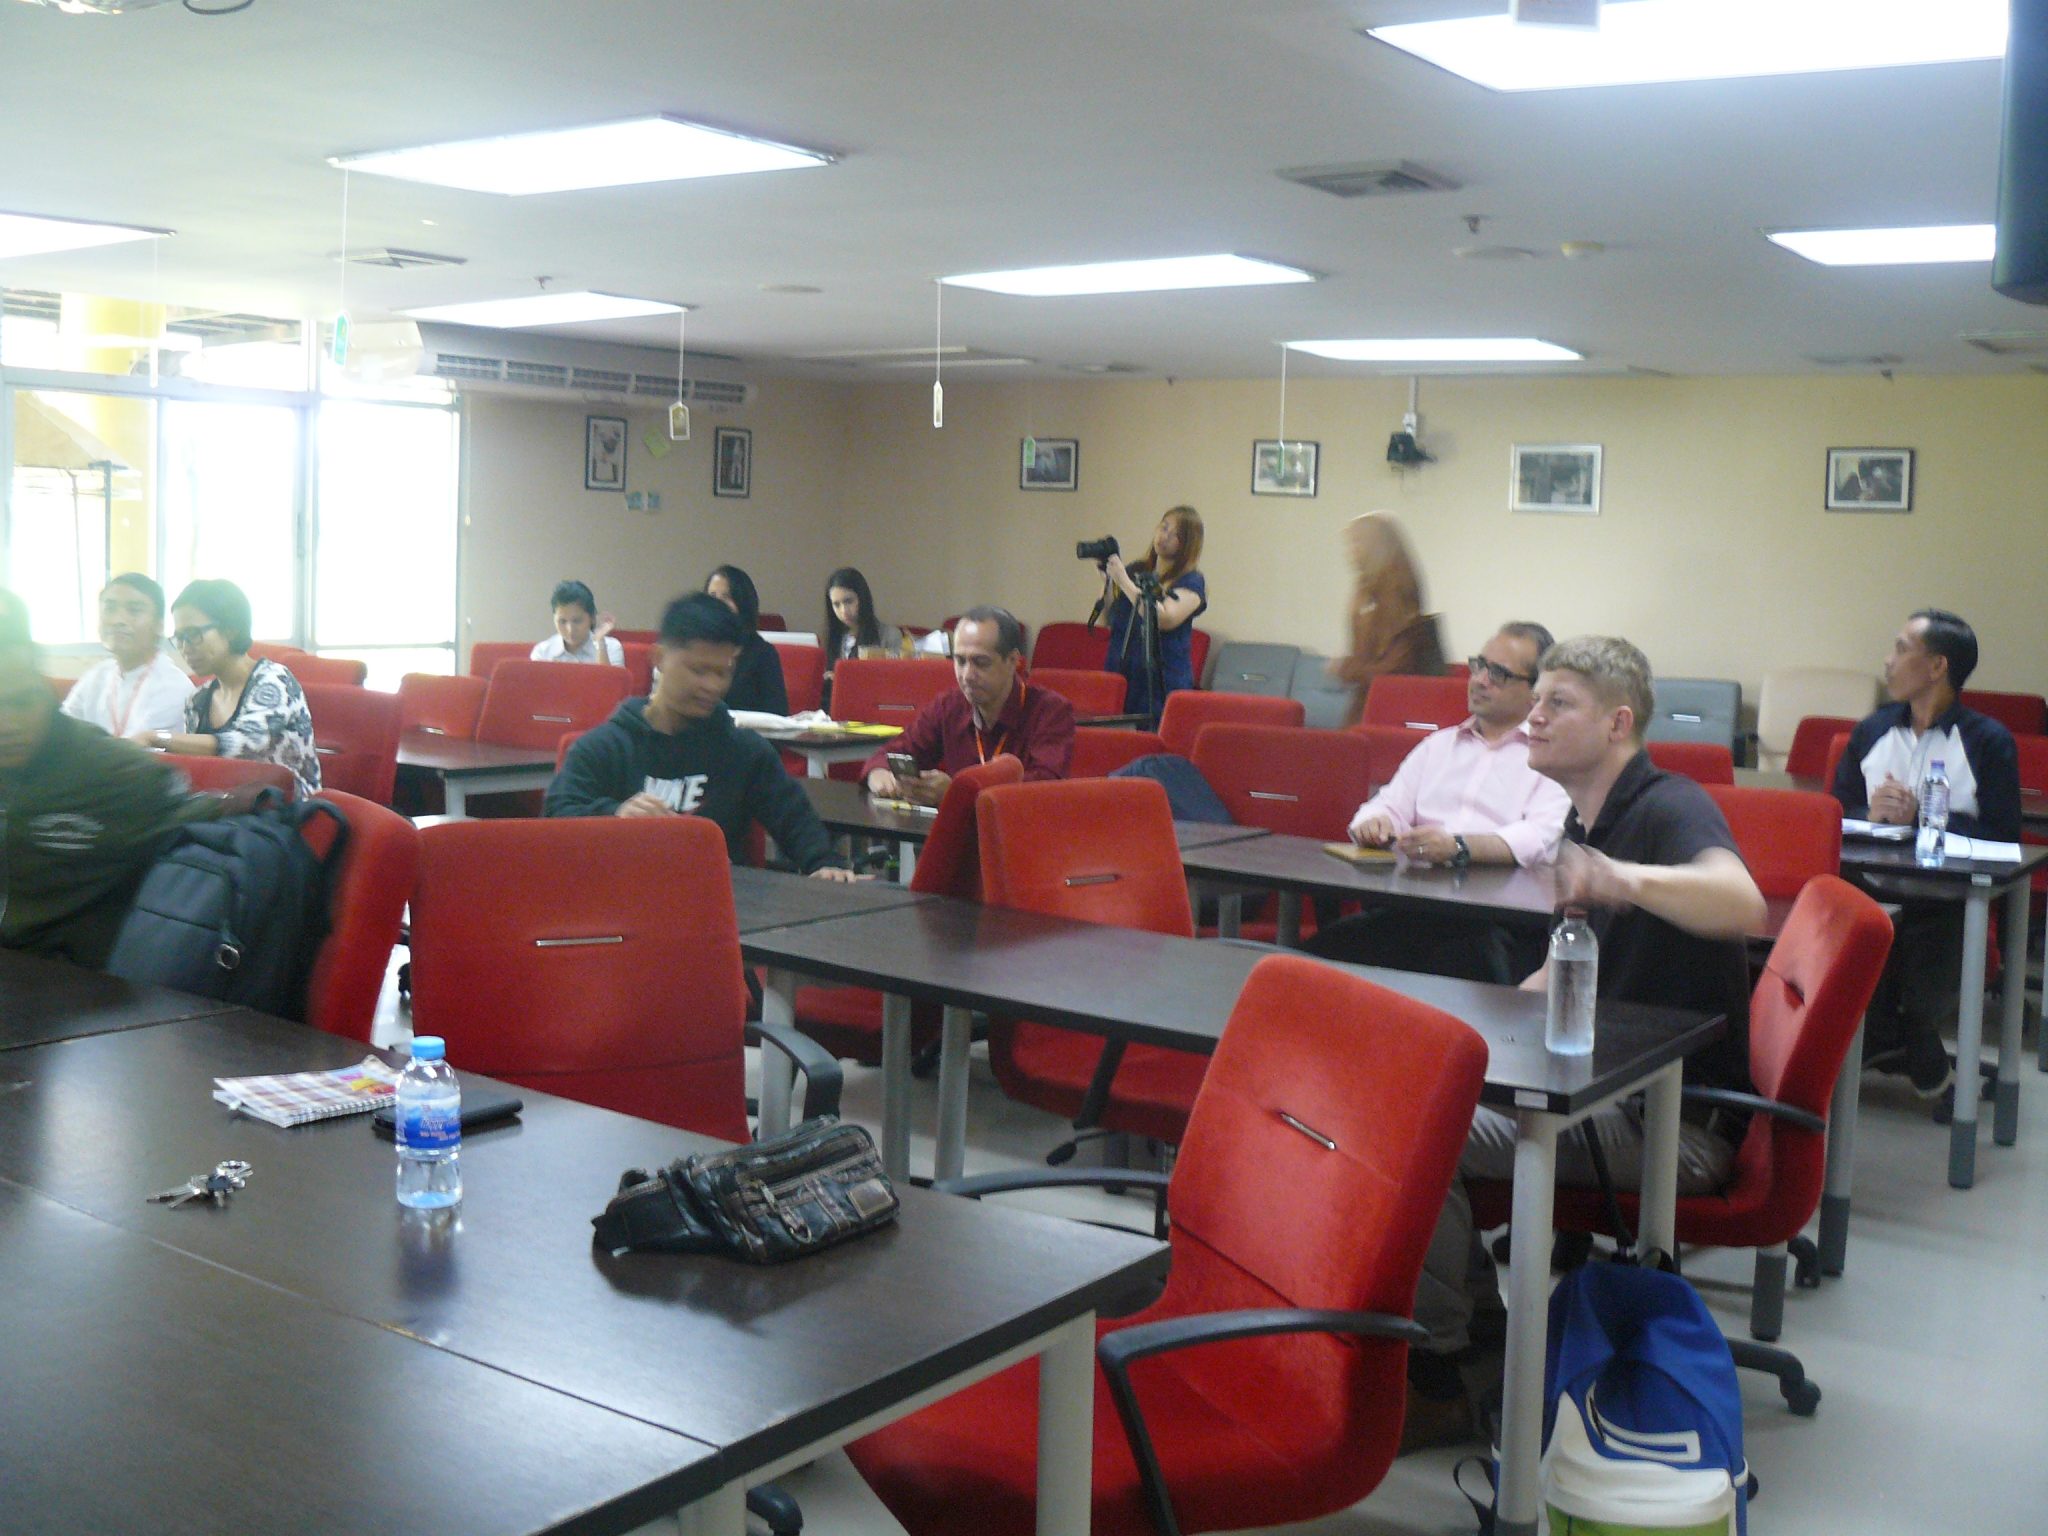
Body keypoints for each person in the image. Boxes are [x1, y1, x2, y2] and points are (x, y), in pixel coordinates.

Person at [1404, 635, 1766, 1449]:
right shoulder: (1583, 817)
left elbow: (1742, 903)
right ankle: (1479, 1340)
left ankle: (1445, 1369)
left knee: (1424, 1136)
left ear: (1617, 723)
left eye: (1557, 703)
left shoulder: (1669, 806)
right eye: (1536, 699)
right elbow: (1557, 973)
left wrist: (1621, 877)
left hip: (1674, 1125)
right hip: (1609, 1093)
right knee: (1409, 1098)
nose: (1533, 716)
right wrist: (1454, 1031)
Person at [1303, 622, 1571, 982]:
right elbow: (1387, 805)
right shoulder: (1438, 746)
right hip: (1411, 909)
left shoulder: (1554, 758)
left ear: (1535, 692)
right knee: (1309, 966)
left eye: (1498, 673)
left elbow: (1541, 838)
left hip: (1495, 926)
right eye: (1479, 665)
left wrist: (1459, 847)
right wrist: (1376, 823)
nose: (1480, 680)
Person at [1832, 609, 2020, 1101]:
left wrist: (1925, 819)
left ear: (1938, 666)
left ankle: (1904, 1034)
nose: (1887, 661)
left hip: (1947, 899)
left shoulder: (1987, 741)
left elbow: (2005, 838)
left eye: (1901, 649)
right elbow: (1835, 812)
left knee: (1921, 967)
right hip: (1869, 890)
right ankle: (1897, 1041)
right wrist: (1870, 813)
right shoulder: (1872, 731)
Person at [546, 593, 851, 880]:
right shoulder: (605, 747)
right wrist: (615, 815)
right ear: (659, 658)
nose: (712, 686)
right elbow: (556, 818)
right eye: (699, 670)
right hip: (623, 900)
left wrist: (825, 865)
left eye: (723, 672)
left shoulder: (744, 751)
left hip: (722, 905)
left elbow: (795, 821)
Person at [0, 590, 214, 968]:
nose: (7, 724)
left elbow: (187, 807)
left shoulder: (114, 773)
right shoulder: (97, 678)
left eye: (19, 702)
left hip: (59, 975)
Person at [861, 607, 1074, 807]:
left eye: (981, 662)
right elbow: (893, 752)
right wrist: (878, 773)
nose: (967, 675)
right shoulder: (949, 706)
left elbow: (1043, 786)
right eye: (960, 661)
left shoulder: (1050, 711)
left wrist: (958, 791)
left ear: (1012, 661)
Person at [157, 579, 322, 799]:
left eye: (194, 634)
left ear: (231, 630)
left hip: (287, 811)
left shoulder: (274, 680)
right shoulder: (198, 699)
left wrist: (157, 738)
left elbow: (244, 744)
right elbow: (199, 767)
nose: (185, 648)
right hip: (232, 808)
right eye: (179, 638)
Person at [1327, 512, 1447, 725]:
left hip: (1392, 707)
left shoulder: (1396, 591)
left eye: (1357, 543)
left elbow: (1394, 667)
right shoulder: (1367, 588)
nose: (1350, 552)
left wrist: (1346, 669)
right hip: (1368, 701)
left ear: (1374, 545)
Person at [1099, 505, 1206, 721]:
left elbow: (1165, 618)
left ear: (1187, 544)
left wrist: (1123, 581)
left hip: (1161, 681)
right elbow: (1109, 618)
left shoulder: (1192, 581)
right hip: (1122, 674)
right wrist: (1108, 582)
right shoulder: (1136, 570)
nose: (1164, 536)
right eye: (1163, 527)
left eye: (1175, 534)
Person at [59, 572, 192, 741]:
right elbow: (61, 730)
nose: (118, 620)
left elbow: (137, 750)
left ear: (159, 626)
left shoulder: (173, 686)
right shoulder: (97, 676)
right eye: (110, 609)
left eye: (134, 610)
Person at [704, 564, 790, 715]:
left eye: (726, 597)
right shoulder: (697, 647)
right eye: (712, 596)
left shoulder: (763, 653)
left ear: (742, 603)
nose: (717, 604)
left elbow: (777, 713)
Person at [531, 579, 624, 666]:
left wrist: (601, 644)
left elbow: (608, 678)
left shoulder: (611, 647)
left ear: (592, 618)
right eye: (562, 621)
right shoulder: (542, 652)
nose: (570, 629)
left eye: (577, 621)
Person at [824, 567, 901, 671]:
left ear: (862, 598)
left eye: (849, 601)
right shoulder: (835, 637)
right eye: (837, 604)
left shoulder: (889, 636)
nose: (844, 611)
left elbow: (892, 676)